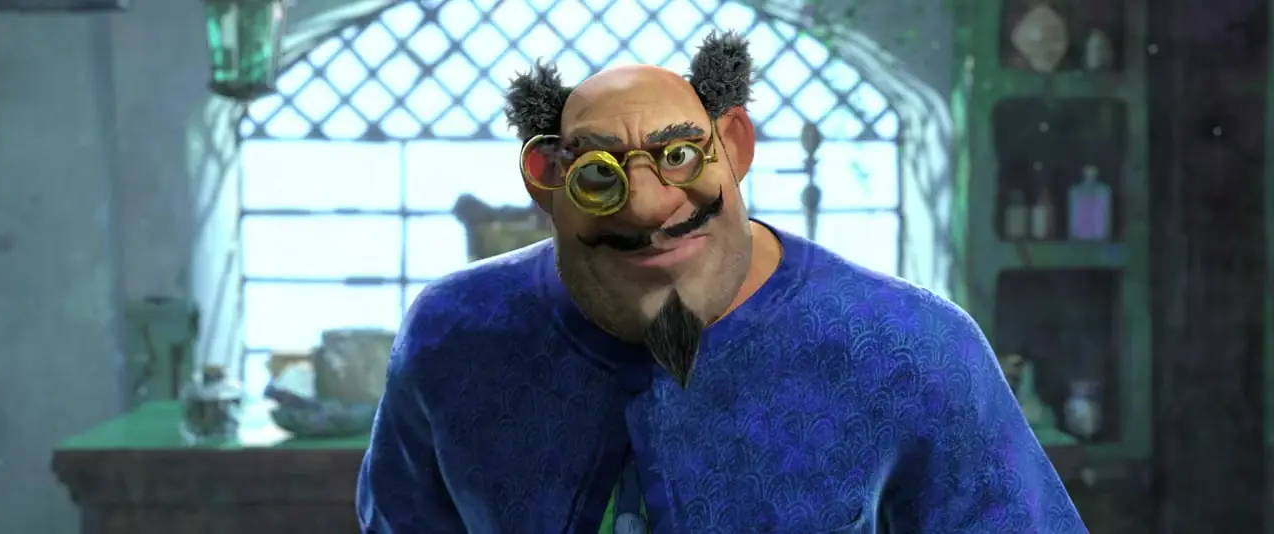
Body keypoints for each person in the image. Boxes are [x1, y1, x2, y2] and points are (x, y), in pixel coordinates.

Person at [356, 30, 1085, 533]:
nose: (648, 206)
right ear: (545, 178)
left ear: (733, 145)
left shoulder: (916, 346)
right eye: (599, 175)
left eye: (678, 156)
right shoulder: (452, 333)